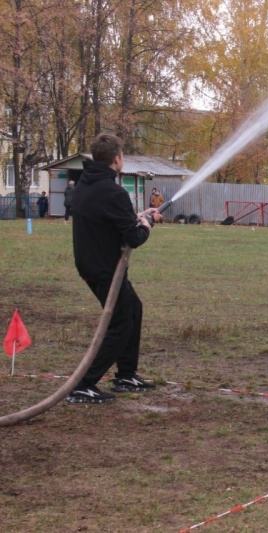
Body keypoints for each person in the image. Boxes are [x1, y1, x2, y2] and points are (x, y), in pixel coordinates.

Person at [67, 134, 162, 404]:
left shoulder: (87, 184)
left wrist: (136, 217)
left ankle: (126, 374)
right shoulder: (112, 191)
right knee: (121, 323)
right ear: (117, 158)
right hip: (104, 269)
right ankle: (83, 385)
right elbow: (134, 238)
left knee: (133, 308)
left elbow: (109, 219)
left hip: (90, 264)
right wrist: (147, 224)